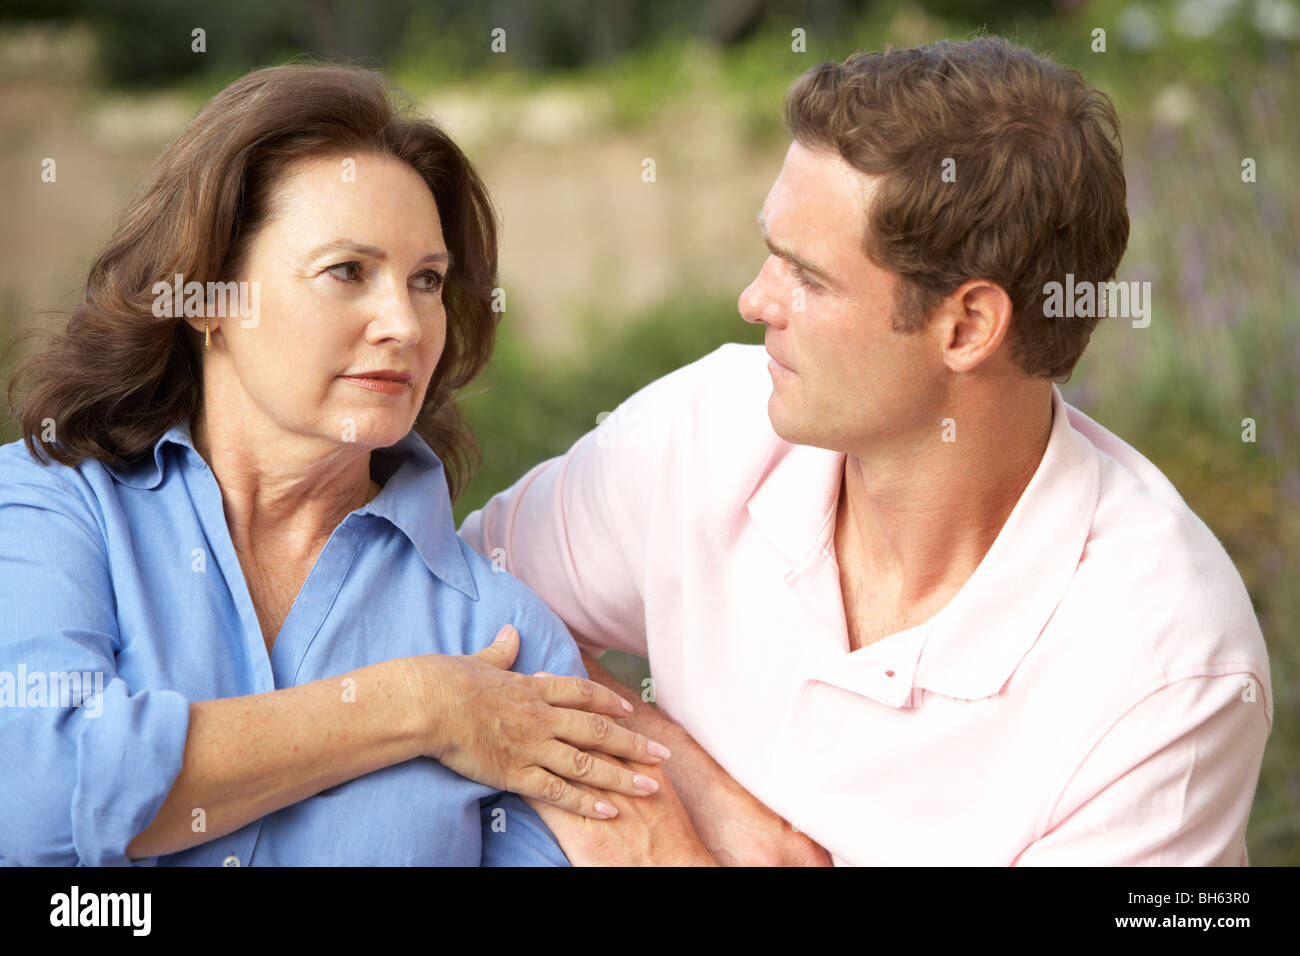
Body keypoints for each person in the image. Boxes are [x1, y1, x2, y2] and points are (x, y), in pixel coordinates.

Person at [460, 36, 1274, 865]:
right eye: (770, 252)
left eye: (806, 277)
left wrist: (678, 858)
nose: (754, 300)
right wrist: (682, 787)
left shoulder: (1168, 669)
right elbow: (447, 600)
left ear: (967, 326)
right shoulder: (707, 425)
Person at [0, 63, 675, 867]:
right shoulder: (54, 507)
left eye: (427, 281)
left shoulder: (500, 635)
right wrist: (417, 705)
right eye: (347, 271)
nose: (405, 322)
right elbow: (37, 793)